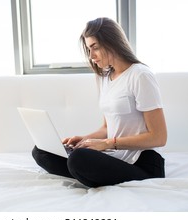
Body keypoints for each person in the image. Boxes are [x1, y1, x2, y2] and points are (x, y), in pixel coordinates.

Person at [32, 17, 167, 187]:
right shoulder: (104, 78)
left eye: (94, 47)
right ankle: (86, 172)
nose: (91, 56)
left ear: (112, 42)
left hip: (143, 163)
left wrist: (106, 144)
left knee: (78, 160)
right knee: (42, 151)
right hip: (116, 156)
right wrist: (83, 140)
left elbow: (159, 137)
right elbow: (106, 128)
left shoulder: (140, 75)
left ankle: (83, 170)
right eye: (89, 49)